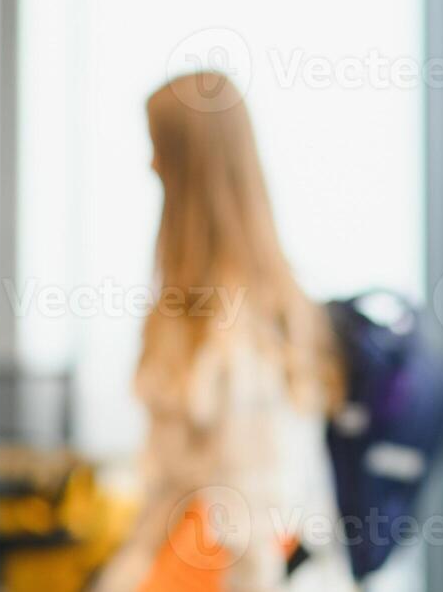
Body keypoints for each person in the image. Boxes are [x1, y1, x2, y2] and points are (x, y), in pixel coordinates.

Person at [94, 72, 356, 592]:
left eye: (158, 150)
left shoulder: (237, 331)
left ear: (190, 168)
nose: (150, 166)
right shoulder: (230, 311)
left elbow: (252, 516)